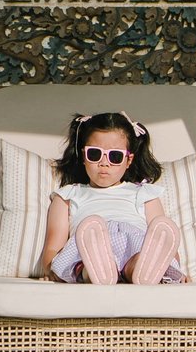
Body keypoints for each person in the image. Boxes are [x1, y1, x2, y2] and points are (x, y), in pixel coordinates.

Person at [40, 111, 184, 285]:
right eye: (95, 154)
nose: (104, 163)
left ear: (128, 160)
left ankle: (143, 270)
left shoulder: (144, 193)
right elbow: (53, 245)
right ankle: (94, 271)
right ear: (83, 156)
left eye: (115, 156)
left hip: (135, 245)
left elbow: (162, 240)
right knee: (83, 262)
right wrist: (50, 270)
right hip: (89, 244)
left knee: (142, 257)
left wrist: (176, 268)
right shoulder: (68, 195)